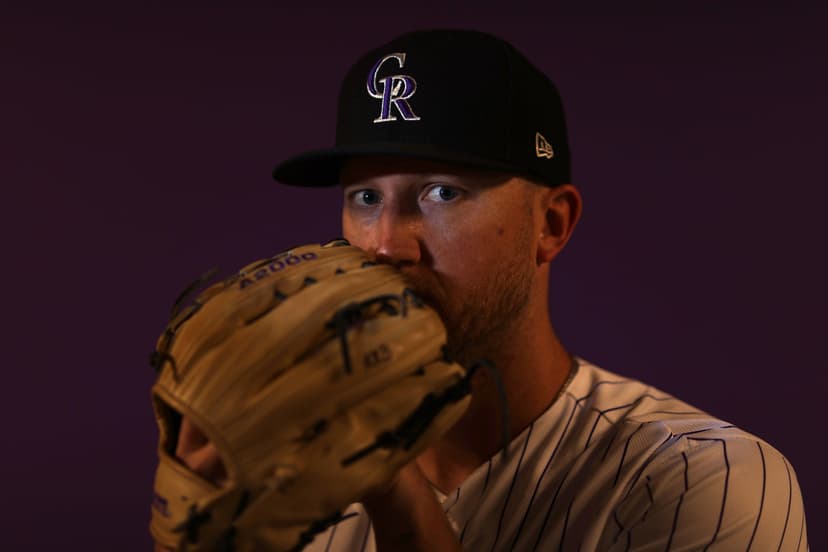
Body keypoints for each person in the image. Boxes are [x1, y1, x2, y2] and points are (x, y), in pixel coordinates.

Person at [173, 29, 809, 551]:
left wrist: (393, 485)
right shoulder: (288, 477)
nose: (387, 244)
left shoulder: (703, 479)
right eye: (365, 198)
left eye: (442, 192)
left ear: (550, 224)